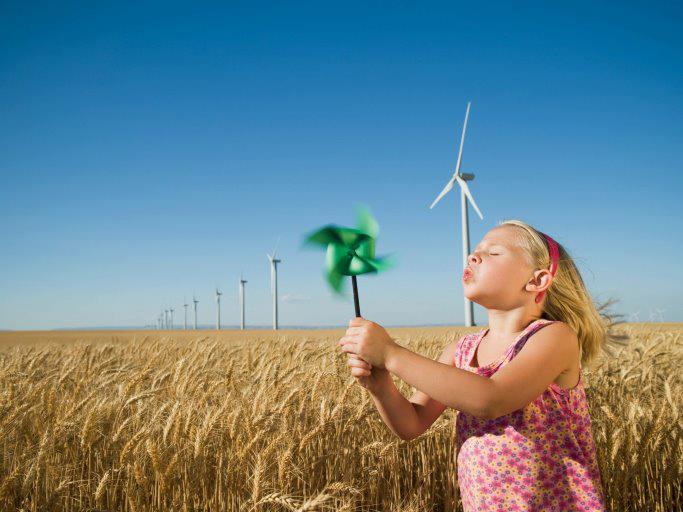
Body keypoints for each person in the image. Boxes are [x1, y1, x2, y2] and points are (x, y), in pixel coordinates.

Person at [338, 219, 625, 512]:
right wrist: (381, 386)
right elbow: (411, 423)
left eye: (494, 252)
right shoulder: (460, 351)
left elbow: (491, 399)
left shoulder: (553, 337)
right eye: (475, 250)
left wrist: (390, 354)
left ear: (537, 281)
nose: (473, 256)